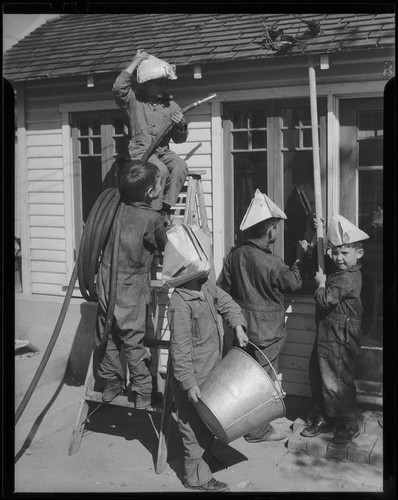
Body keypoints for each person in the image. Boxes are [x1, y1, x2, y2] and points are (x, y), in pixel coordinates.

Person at [217, 189, 308, 442]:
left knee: (245, 379)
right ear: (271, 231)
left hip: (242, 330)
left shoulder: (233, 256)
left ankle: (246, 422)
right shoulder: (274, 262)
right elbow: (294, 283)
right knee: (264, 381)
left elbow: (222, 290)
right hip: (267, 333)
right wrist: (299, 259)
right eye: (276, 227)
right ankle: (258, 430)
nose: (277, 232)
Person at [164, 224, 248, 492]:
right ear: (183, 272)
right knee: (192, 428)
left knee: (209, 422)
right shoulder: (180, 303)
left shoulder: (207, 286)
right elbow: (179, 350)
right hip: (192, 378)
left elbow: (228, 305)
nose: (204, 274)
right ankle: (195, 477)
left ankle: (205, 459)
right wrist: (188, 384)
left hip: (213, 369)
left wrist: (238, 326)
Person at [95, 160, 167, 409]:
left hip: (105, 277)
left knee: (107, 334)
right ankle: (143, 391)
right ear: (150, 193)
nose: (161, 184)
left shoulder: (113, 209)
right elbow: (164, 246)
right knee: (132, 339)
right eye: (159, 182)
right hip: (130, 282)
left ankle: (111, 383)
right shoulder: (152, 218)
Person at [300, 214, 369, 444]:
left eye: (345, 253)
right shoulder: (341, 270)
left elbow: (327, 299)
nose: (338, 258)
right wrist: (317, 235)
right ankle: (326, 416)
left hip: (340, 338)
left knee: (339, 381)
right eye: (335, 252)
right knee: (319, 376)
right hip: (327, 333)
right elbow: (321, 265)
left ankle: (349, 424)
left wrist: (320, 284)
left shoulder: (348, 278)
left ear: (358, 254)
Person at [113, 49, 189, 224]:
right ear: (147, 83)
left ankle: (165, 208)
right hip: (141, 151)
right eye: (159, 84)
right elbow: (119, 87)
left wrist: (181, 125)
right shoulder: (134, 101)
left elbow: (179, 139)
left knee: (180, 166)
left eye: (165, 84)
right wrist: (136, 62)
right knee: (159, 170)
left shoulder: (171, 105)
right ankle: (153, 214)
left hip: (162, 151)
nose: (163, 87)